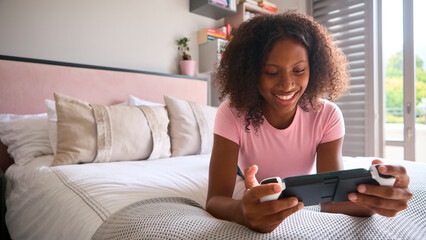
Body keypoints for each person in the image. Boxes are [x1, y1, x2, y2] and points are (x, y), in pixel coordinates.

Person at [206, 10, 413, 233]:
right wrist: (242, 212)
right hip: (243, 175)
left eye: (298, 70)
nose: (287, 85)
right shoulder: (231, 113)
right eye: (271, 72)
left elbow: (332, 201)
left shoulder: (328, 116)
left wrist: (373, 199)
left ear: (313, 68)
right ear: (251, 73)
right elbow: (215, 199)